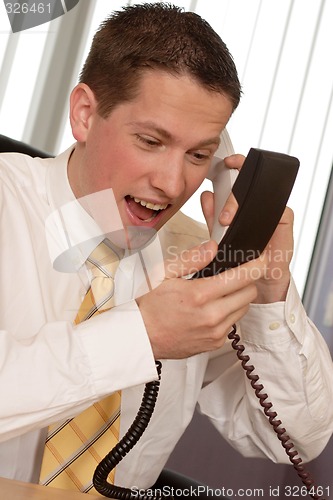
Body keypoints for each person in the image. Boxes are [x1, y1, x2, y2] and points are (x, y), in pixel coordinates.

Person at [0, 2, 332, 498]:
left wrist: (267, 287)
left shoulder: (195, 261)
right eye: (151, 141)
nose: (173, 183)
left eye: (199, 155)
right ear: (85, 114)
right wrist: (140, 335)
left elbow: (294, 440)